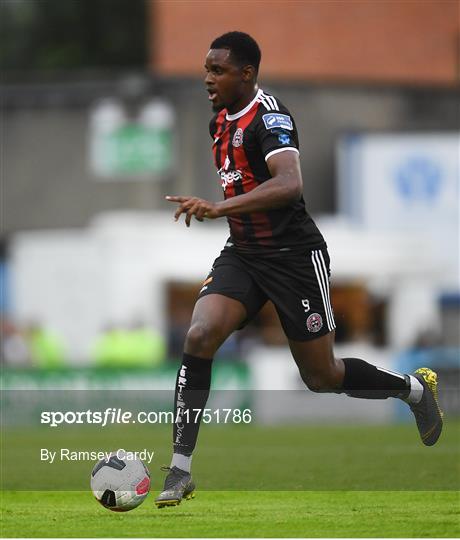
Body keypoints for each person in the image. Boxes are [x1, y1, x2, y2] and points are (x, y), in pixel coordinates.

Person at [155, 31, 443, 508]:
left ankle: (413, 390)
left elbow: (290, 184)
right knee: (199, 335)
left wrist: (220, 209)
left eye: (218, 70)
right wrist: (229, 218)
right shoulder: (218, 122)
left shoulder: (269, 117)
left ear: (246, 74)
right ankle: (180, 470)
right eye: (206, 68)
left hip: (294, 258)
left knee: (322, 377)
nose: (207, 78)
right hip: (244, 253)